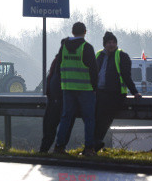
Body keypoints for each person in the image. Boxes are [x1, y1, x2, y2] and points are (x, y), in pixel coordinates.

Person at [53, 22, 98, 156]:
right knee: (89, 119)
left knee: (66, 118)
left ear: (72, 32)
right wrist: (95, 87)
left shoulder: (64, 47)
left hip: (67, 88)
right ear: (85, 32)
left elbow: (58, 68)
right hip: (85, 89)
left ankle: (59, 147)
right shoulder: (87, 47)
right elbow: (94, 70)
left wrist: (62, 84)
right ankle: (89, 149)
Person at [94, 32, 142, 151]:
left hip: (115, 94)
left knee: (104, 119)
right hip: (99, 93)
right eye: (109, 42)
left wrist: (134, 92)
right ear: (104, 44)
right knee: (96, 118)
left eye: (113, 42)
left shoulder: (122, 55)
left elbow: (126, 75)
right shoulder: (99, 55)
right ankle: (94, 144)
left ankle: (94, 144)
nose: (112, 44)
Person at [39, 54, 75, 153]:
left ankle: (46, 149)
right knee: (58, 125)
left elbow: (51, 77)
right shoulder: (64, 60)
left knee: (50, 125)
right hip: (61, 99)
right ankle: (57, 148)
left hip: (57, 98)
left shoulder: (58, 60)